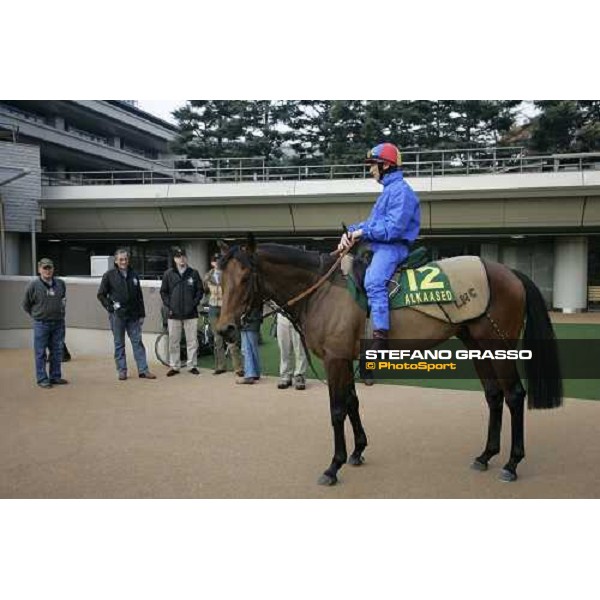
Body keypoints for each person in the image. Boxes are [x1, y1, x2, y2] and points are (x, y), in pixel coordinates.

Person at [338, 142, 421, 351]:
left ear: (385, 165)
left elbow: (393, 228)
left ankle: (380, 335)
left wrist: (362, 233)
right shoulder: (389, 191)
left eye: (373, 164)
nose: (370, 169)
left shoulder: (401, 192)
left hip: (392, 248)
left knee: (374, 281)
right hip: (377, 247)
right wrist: (350, 233)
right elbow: (371, 224)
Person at [97, 249, 157, 381]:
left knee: (137, 342)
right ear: (116, 261)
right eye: (121, 259)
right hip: (117, 316)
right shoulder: (109, 275)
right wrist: (110, 307)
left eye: (125, 259)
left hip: (133, 316)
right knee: (119, 344)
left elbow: (139, 296)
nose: (124, 262)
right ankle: (122, 370)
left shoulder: (134, 274)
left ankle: (143, 370)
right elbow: (101, 295)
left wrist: (142, 314)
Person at [22, 258, 68, 388]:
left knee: (57, 351)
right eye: (44, 268)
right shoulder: (33, 286)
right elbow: (26, 305)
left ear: (53, 269)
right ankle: (42, 378)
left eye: (49, 268)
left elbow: (63, 300)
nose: (47, 270)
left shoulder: (60, 284)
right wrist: (37, 315)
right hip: (41, 324)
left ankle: (55, 376)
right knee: (40, 352)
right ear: (39, 270)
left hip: (58, 323)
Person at [160, 247, 203, 376]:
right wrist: (170, 305)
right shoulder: (169, 274)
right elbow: (163, 292)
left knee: (192, 341)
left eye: (183, 256)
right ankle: (175, 366)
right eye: (178, 257)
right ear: (174, 259)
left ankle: (192, 365)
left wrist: (194, 303)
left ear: (186, 258)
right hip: (174, 314)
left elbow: (200, 291)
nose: (181, 259)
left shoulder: (193, 273)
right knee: (174, 341)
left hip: (191, 314)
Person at [203, 253, 243, 376]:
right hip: (214, 308)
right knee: (217, 339)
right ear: (212, 263)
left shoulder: (229, 275)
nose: (218, 263)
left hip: (227, 308)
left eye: (219, 260)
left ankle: (238, 368)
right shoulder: (207, 277)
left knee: (231, 338)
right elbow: (204, 290)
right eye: (215, 261)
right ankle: (220, 366)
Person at [276, 313, 307, 390]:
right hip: (282, 318)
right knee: (284, 350)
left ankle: (299, 375)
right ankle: (285, 376)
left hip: (298, 319)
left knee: (300, 350)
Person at [236, 306, 262, 385]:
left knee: (247, 349)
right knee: (252, 349)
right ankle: (255, 373)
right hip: (252, 321)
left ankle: (249, 375)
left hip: (249, 321)